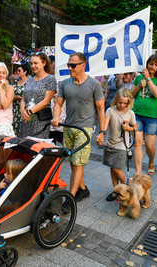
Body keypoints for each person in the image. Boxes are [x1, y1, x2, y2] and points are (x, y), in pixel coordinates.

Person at [52, 52, 105, 206]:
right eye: (68, 64)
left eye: (73, 65)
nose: (70, 68)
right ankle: (82, 189)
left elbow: (101, 109)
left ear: (83, 65)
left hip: (85, 129)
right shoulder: (65, 83)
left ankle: (71, 197)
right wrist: (56, 117)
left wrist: (102, 132)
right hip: (68, 127)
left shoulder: (94, 84)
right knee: (73, 162)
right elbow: (58, 103)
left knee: (78, 163)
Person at [129, 54, 157, 175]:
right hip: (137, 115)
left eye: (156, 65)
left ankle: (151, 160)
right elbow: (130, 94)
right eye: (151, 64)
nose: (153, 66)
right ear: (147, 64)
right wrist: (140, 85)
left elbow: (156, 93)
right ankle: (138, 171)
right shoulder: (139, 77)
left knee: (149, 146)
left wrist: (149, 79)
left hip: (153, 116)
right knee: (138, 143)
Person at [96, 89, 137, 201]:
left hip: (122, 146)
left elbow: (135, 128)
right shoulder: (110, 110)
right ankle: (116, 190)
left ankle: (126, 189)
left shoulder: (130, 113)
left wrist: (127, 128)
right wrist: (101, 134)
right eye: (120, 102)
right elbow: (105, 124)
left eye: (125, 103)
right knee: (112, 168)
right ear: (116, 100)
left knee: (117, 168)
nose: (122, 105)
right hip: (110, 143)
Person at [20, 52, 56, 139]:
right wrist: (22, 112)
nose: (33, 66)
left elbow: (46, 100)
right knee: (25, 147)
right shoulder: (29, 80)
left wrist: (29, 111)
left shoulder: (50, 79)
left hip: (41, 121)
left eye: (36, 63)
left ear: (44, 63)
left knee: (38, 148)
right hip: (26, 120)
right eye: (31, 63)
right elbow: (24, 99)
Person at [13, 65, 28, 136]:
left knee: (22, 129)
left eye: (19, 70)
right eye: (17, 71)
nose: (17, 72)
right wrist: (14, 97)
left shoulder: (29, 82)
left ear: (25, 72)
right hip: (14, 108)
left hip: (24, 109)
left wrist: (21, 98)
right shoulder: (15, 82)